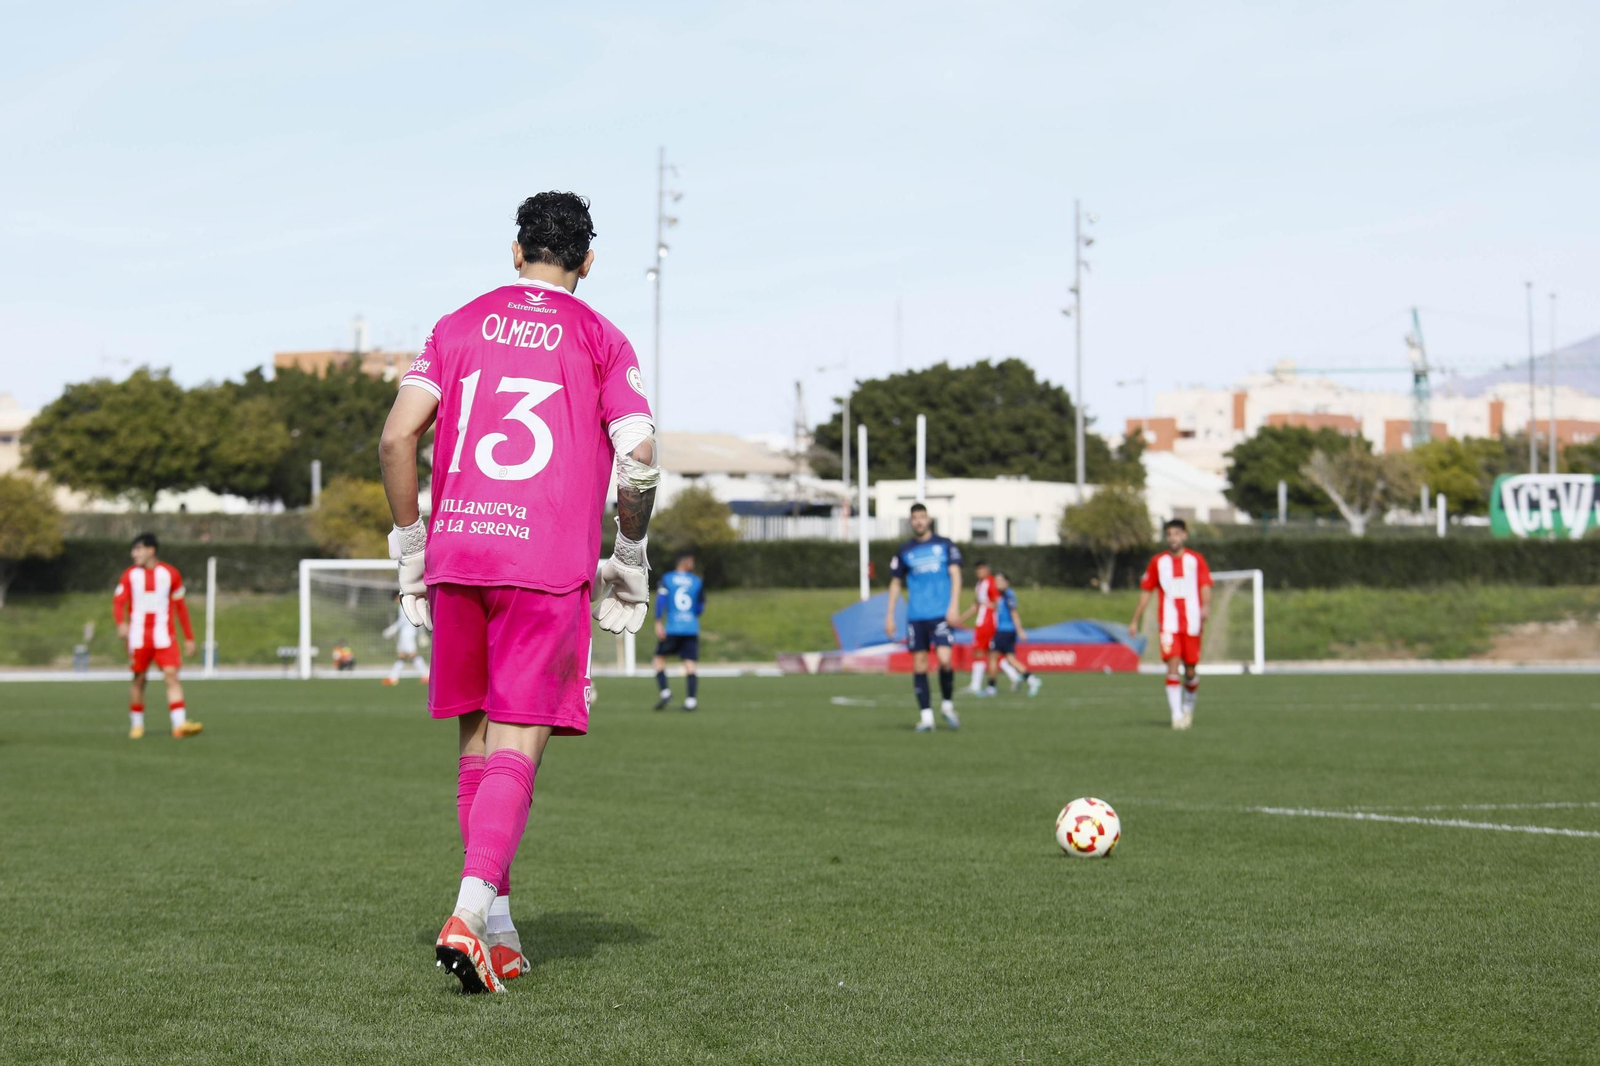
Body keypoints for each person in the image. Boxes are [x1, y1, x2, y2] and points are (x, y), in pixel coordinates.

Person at [378, 191, 659, 994]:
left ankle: (498, 929)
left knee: (477, 741)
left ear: (515, 252)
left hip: (460, 549)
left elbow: (398, 436)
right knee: (520, 741)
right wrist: (630, 556)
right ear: (589, 263)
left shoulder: (457, 324)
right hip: (544, 560)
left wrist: (409, 548)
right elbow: (639, 458)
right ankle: (468, 915)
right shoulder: (600, 337)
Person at [113, 533, 203, 740]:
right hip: (138, 637)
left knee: (171, 676)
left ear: (150, 550)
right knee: (139, 679)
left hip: (164, 636)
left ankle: (179, 725)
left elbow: (181, 607)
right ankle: (137, 725)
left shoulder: (170, 574)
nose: (133, 554)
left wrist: (189, 637)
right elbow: (118, 602)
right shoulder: (130, 575)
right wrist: (121, 622)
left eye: (137, 549)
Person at [884, 503, 963, 732]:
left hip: (940, 613)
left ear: (929, 519)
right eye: (915, 517)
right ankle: (926, 717)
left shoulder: (944, 545)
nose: (919, 521)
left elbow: (956, 575)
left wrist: (954, 605)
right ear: (911, 521)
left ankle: (947, 705)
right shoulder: (904, 551)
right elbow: (896, 582)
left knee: (945, 660)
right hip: (916, 615)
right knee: (919, 664)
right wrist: (889, 615)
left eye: (922, 516)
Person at [1128, 519, 1212, 729]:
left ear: (1184, 535)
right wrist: (1135, 619)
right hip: (1168, 624)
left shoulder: (1196, 560)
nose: (1172, 538)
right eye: (1169, 534)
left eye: (1176, 533)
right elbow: (1146, 591)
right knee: (1172, 666)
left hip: (1192, 622)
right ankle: (1176, 716)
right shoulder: (1158, 562)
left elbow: (1205, 585)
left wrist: (1206, 606)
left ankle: (1188, 708)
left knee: (1190, 670)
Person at [652, 552, 704, 711]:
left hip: (673, 627)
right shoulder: (696, 581)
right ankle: (691, 701)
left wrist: (658, 621)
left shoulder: (667, 579)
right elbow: (700, 607)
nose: (693, 565)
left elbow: (661, 600)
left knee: (659, 660)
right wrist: (691, 616)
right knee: (690, 664)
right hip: (690, 628)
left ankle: (666, 693)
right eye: (692, 561)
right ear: (686, 562)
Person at [988, 572, 1042, 697]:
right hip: (1006, 631)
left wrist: (1020, 631)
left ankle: (991, 687)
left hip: (1005, 631)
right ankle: (1032, 680)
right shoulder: (1001, 596)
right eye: (996, 581)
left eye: (1000, 581)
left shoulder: (1008, 595)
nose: (997, 584)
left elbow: (1014, 613)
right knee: (1011, 659)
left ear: (1007, 582)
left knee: (992, 657)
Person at [382, 592, 431, 686]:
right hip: (404, 634)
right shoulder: (404, 604)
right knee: (401, 655)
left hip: (408, 633)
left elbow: (403, 621)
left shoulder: (405, 604)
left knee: (412, 654)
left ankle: (426, 675)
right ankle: (393, 677)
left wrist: (392, 630)